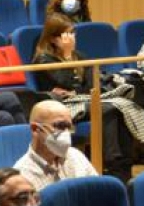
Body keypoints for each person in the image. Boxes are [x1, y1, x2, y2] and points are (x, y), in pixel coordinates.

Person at [33, 13, 140, 182]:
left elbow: (89, 86)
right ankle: (112, 163)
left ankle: (124, 163)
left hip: (84, 100)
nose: (72, 38)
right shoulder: (44, 59)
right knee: (107, 108)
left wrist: (76, 80)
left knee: (122, 106)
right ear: (54, 39)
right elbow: (69, 83)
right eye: (66, 34)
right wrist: (68, 57)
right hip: (63, 106)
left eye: (73, 33)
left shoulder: (79, 56)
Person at [14, 100, 97, 190]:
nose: (66, 133)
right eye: (60, 126)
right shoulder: (22, 175)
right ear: (35, 129)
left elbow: (98, 193)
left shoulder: (76, 156)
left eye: (68, 127)